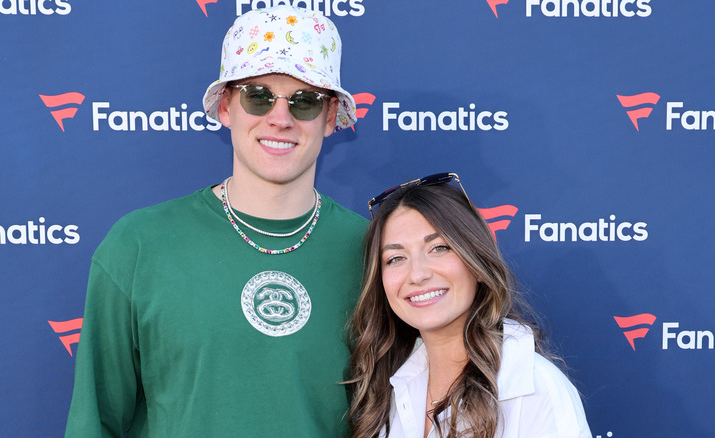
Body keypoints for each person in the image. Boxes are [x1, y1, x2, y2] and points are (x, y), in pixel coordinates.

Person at [65, 5, 366, 437]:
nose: (280, 119)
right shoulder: (139, 246)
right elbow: (95, 424)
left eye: (305, 101)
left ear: (331, 116)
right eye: (258, 95)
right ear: (226, 107)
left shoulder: (376, 253)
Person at [347, 173, 591, 438]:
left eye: (439, 248)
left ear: (476, 262)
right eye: (395, 258)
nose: (417, 275)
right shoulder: (392, 387)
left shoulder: (536, 388)